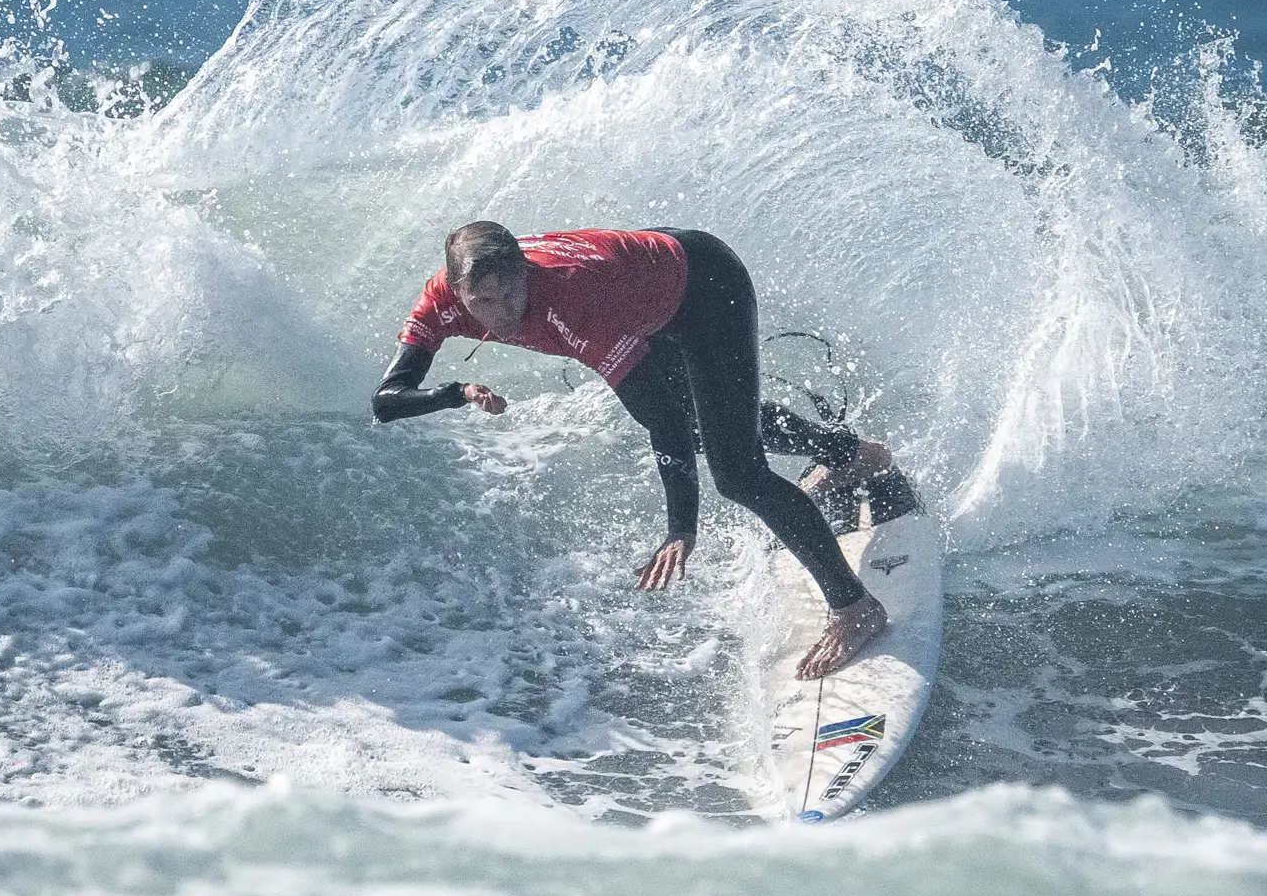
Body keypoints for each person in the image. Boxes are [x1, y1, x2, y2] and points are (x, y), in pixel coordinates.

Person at [373, 222, 889, 680]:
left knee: (738, 474)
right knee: (710, 422)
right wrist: (457, 392)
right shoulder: (440, 301)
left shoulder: (570, 301)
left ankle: (854, 607)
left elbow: (661, 421)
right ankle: (846, 454)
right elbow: (386, 401)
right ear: (455, 290)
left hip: (703, 286)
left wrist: (680, 527)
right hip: (643, 295)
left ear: (526, 270)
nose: (506, 314)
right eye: (483, 302)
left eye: (513, 291)